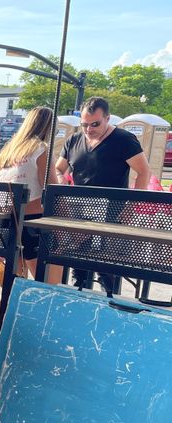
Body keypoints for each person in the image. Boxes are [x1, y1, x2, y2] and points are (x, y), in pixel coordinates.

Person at [0, 107, 64, 359]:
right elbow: (52, 189)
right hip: (36, 223)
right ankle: (37, 347)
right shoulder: (40, 149)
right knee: (49, 289)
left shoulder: (7, 153)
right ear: (48, 127)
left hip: (11, 226)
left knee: (10, 289)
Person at [55, 96, 151, 292]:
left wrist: (130, 206)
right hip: (80, 210)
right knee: (78, 263)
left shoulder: (124, 140)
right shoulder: (74, 140)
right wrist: (62, 179)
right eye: (84, 124)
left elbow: (143, 172)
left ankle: (109, 300)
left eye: (95, 124)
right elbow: (59, 169)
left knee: (107, 266)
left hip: (112, 210)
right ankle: (79, 295)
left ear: (108, 118)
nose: (89, 129)